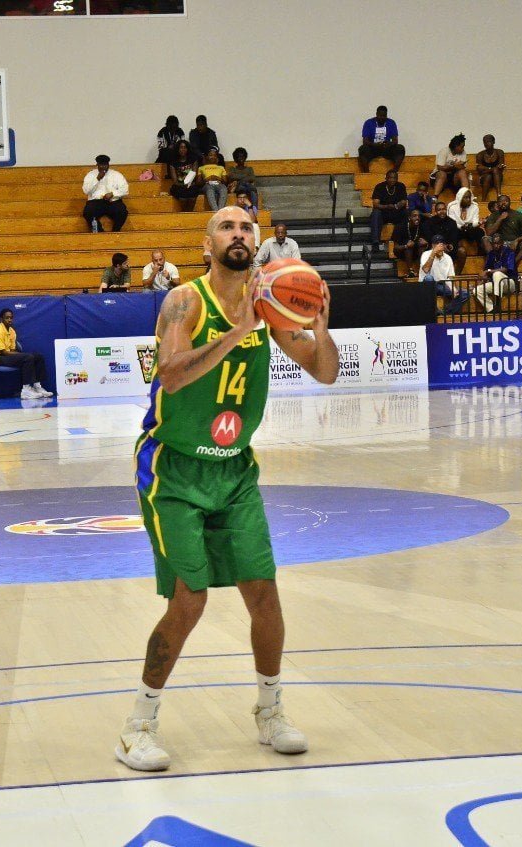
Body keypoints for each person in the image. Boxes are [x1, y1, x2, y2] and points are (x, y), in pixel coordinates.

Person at [117, 206, 339, 772]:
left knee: (263, 591)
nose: (238, 235)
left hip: (235, 469)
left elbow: (324, 371)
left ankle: (271, 710)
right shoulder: (185, 301)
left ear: (257, 245)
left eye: (246, 229)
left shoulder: (269, 306)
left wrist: (320, 329)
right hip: (174, 468)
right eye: (227, 227)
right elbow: (169, 372)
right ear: (207, 242)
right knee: (190, 598)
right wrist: (238, 332)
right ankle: (138, 725)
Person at [0, 308, 53, 400]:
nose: (9, 320)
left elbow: (12, 350)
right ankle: (26, 390)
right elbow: (3, 352)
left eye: (11, 318)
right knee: (28, 357)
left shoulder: (12, 331)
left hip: (6, 357)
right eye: (7, 318)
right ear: (1, 319)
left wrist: (22, 355)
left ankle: (37, 387)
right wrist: (23, 356)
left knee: (38, 357)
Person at [483, 194, 522, 264]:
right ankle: (494, 260)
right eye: (500, 201)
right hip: (498, 244)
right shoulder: (493, 216)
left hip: (514, 242)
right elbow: (489, 233)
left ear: (510, 202)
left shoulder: (518, 215)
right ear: (497, 203)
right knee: (485, 239)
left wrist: (517, 240)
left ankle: (514, 262)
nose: (503, 203)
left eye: (506, 201)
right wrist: (500, 219)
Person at [82, 155, 130, 233]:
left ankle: (115, 231)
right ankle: (99, 233)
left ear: (108, 164)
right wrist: (97, 179)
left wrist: (113, 193)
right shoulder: (90, 175)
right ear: (97, 165)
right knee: (88, 212)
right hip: (95, 202)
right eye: (101, 165)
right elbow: (86, 191)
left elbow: (125, 189)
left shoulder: (116, 174)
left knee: (122, 212)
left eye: (105, 165)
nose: (103, 167)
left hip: (113, 201)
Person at [421, 235, 466, 316]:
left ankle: (445, 313)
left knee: (464, 293)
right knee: (429, 278)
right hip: (427, 285)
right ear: (432, 246)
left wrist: (453, 289)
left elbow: (450, 277)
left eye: (441, 244)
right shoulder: (426, 254)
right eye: (437, 244)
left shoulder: (448, 258)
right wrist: (433, 253)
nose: (439, 246)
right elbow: (426, 269)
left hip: (442, 285)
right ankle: (434, 309)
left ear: (445, 246)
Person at [475, 234, 518, 313]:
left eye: (498, 243)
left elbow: (505, 269)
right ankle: (492, 309)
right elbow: (486, 271)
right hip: (497, 284)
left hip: (510, 283)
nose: (496, 245)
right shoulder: (491, 254)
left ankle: (497, 304)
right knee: (477, 290)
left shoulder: (509, 252)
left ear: (502, 243)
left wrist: (489, 271)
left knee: (497, 274)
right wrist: (482, 279)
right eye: (494, 243)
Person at [369, 170, 408, 252]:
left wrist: (395, 206)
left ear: (397, 179)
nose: (392, 180)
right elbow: (375, 204)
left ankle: (401, 242)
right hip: (384, 212)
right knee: (376, 213)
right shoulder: (379, 187)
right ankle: (375, 243)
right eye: (390, 178)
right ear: (386, 178)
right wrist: (387, 206)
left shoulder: (401, 186)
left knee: (407, 212)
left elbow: (404, 201)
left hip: (396, 211)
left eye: (394, 178)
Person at [357, 106, 405, 172]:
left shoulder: (391, 123)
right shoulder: (368, 123)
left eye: (384, 116)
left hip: (387, 148)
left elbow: (395, 141)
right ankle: (366, 172)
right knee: (362, 149)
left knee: (400, 148)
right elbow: (365, 141)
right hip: (373, 148)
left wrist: (389, 144)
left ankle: (395, 172)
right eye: (380, 115)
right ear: (376, 114)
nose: (382, 118)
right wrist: (374, 144)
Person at [420, 202, 465, 272]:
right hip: (434, 247)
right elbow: (429, 238)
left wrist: (449, 246)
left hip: (449, 247)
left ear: (446, 210)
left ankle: (456, 275)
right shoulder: (429, 222)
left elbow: (454, 238)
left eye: (443, 209)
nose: (442, 212)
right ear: (435, 211)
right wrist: (441, 246)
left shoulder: (452, 222)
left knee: (462, 251)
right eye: (439, 210)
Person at [448, 187, 488, 257]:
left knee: (480, 231)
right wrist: (461, 227)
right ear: (460, 198)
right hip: (457, 228)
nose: (468, 200)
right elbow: (451, 222)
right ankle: (453, 253)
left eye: (469, 197)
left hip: (470, 228)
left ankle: (481, 252)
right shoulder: (452, 206)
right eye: (466, 198)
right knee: (453, 231)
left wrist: (478, 223)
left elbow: (475, 220)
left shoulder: (475, 206)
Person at [167, 141, 202, 208]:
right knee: (183, 199)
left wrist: (188, 184)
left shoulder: (193, 159)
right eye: (181, 148)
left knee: (192, 198)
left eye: (185, 148)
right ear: (177, 149)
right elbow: (175, 180)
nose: (183, 150)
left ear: (188, 149)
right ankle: (184, 215)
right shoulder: (173, 162)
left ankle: (190, 215)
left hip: (191, 184)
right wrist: (182, 185)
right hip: (179, 185)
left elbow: (193, 173)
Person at [395, 209, 427, 277]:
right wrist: (406, 246)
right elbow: (396, 247)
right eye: (414, 216)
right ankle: (410, 271)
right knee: (409, 247)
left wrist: (426, 243)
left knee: (422, 246)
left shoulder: (422, 227)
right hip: (402, 252)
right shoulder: (400, 227)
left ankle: (422, 270)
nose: (417, 218)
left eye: (419, 216)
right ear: (409, 217)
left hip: (416, 252)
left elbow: (426, 243)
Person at [474, 134, 505, 199]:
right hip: (484, 178)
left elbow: (501, 166)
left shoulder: (499, 152)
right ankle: (484, 199)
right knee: (488, 176)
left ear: (493, 142)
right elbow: (479, 169)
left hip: (497, 177)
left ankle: (498, 194)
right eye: (484, 142)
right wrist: (492, 169)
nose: (486, 144)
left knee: (495, 171)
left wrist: (488, 169)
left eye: (488, 141)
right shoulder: (480, 155)